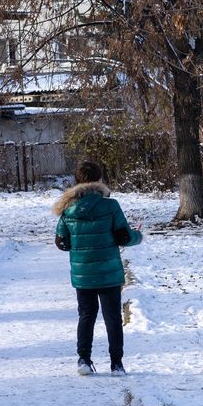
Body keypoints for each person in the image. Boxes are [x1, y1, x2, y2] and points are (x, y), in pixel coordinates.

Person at [53, 160, 142, 376]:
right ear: (100, 180)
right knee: (112, 317)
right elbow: (124, 237)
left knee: (86, 316)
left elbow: (61, 243)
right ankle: (117, 365)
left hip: (83, 275)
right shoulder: (110, 206)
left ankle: (84, 360)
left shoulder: (68, 209)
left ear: (76, 181)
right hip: (109, 274)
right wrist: (138, 234)